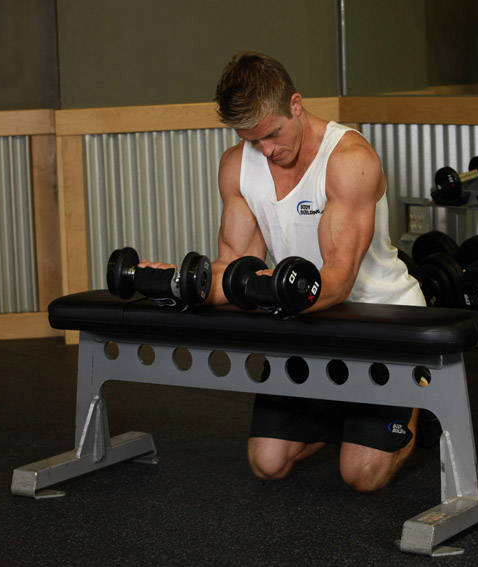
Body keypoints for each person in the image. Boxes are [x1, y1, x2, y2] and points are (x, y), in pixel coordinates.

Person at [148, 51, 426, 492]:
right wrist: (183, 283)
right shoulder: (238, 165)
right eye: (252, 140)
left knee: (361, 476)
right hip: (302, 321)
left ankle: (416, 402)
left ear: (295, 105)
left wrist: (264, 293)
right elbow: (234, 267)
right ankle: (344, 413)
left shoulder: (348, 158)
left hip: (383, 323)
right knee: (267, 462)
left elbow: (336, 279)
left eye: (273, 134)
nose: (267, 151)